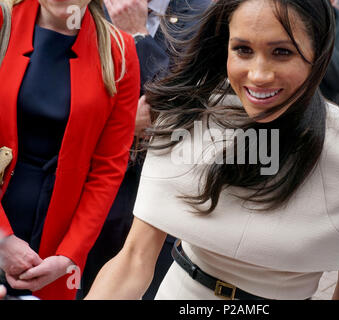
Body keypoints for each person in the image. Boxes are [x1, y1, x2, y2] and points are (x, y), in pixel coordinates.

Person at [86, 0, 339, 300]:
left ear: (318, 53)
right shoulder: (187, 117)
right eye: (243, 50)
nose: (259, 75)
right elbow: (134, 261)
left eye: (282, 52)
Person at [0, 0, 140, 300]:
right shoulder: (3, 20)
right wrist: (1, 239)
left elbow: (109, 167)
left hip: (53, 254)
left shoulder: (120, 51)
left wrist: (69, 255)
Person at [78, 0, 211, 300]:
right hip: (84, 200)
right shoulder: (82, 8)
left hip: (158, 217)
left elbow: (194, 110)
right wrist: (122, 123)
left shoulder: (207, 14)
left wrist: (139, 36)